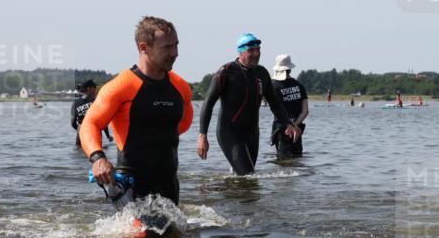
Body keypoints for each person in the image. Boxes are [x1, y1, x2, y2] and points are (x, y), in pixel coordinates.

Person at [80, 16, 194, 204]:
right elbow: (90, 124)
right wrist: (98, 159)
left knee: (171, 232)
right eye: (167, 47)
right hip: (131, 185)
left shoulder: (181, 87)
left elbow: (182, 125)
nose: (175, 53)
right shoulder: (121, 87)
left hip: (169, 184)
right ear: (144, 48)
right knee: (143, 233)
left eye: (176, 45)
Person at [196, 33, 300, 175]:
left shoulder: (262, 73)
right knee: (248, 175)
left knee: (247, 179)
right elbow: (208, 103)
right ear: (241, 52)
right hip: (230, 132)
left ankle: (231, 193)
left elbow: (275, 103)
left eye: (258, 49)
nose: (256, 53)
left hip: (252, 133)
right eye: (251, 50)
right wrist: (203, 136)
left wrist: (288, 123)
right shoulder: (226, 72)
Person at [270, 54, 309, 159]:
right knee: (297, 160)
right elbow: (305, 111)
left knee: (283, 162)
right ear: (290, 70)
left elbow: (276, 110)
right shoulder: (299, 86)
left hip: (282, 130)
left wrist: (289, 126)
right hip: (297, 130)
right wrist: (294, 125)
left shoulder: (273, 86)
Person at [71, 79, 112, 148]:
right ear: (88, 88)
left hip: (80, 131)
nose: (96, 90)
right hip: (94, 131)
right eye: (94, 88)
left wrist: (81, 130)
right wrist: (108, 136)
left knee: (79, 154)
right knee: (96, 154)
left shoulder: (75, 103)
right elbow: (103, 120)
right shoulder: (97, 101)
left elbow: (73, 123)